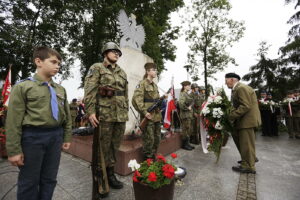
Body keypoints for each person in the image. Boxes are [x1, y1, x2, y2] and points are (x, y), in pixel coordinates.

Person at [5, 46, 72, 199]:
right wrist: (14, 150)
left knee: (49, 179)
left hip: (55, 137)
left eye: (59, 64)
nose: (58, 66)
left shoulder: (60, 89)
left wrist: (67, 137)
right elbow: (13, 121)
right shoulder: (23, 87)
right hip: (33, 138)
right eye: (53, 62)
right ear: (38, 61)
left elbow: (66, 116)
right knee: (29, 181)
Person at [84, 41, 128, 198]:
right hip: (104, 114)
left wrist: (126, 111)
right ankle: (101, 180)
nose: (116, 53)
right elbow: (89, 91)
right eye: (113, 51)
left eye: (118, 52)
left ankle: (110, 174)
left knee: (114, 147)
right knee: (102, 148)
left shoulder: (122, 72)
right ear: (105, 53)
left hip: (120, 115)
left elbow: (125, 94)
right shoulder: (97, 68)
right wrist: (90, 112)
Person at [225, 73, 261, 174]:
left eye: (226, 80)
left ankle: (249, 166)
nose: (225, 82)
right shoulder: (238, 88)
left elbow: (245, 106)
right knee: (243, 141)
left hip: (247, 121)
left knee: (247, 143)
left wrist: (231, 116)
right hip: (244, 120)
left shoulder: (241, 88)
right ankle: (249, 158)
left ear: (232, 79)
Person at [131, 63, 162, 160]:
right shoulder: (142, 84)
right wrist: (144, 112)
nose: (155, 71)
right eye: (153, 69)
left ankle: (153, 156)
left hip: (156, 116)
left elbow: (155, 100)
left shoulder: (155, 86)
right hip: (148, 116)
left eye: (155, 70)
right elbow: (136, 100)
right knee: (149, 139)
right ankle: (148, 160)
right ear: (148, 71)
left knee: (157, 138)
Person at [178, 81, 194, 151]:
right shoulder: (183, 94)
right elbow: (181, 104)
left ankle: (187, 143)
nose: (190, 87)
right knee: (185, 130)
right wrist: (187, 108)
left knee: (188, 129)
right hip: (185, 115)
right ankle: (184, 145)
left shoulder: (187, 94)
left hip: (188, 115)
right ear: (184, 86)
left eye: (190, 85)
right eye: (188, 85)